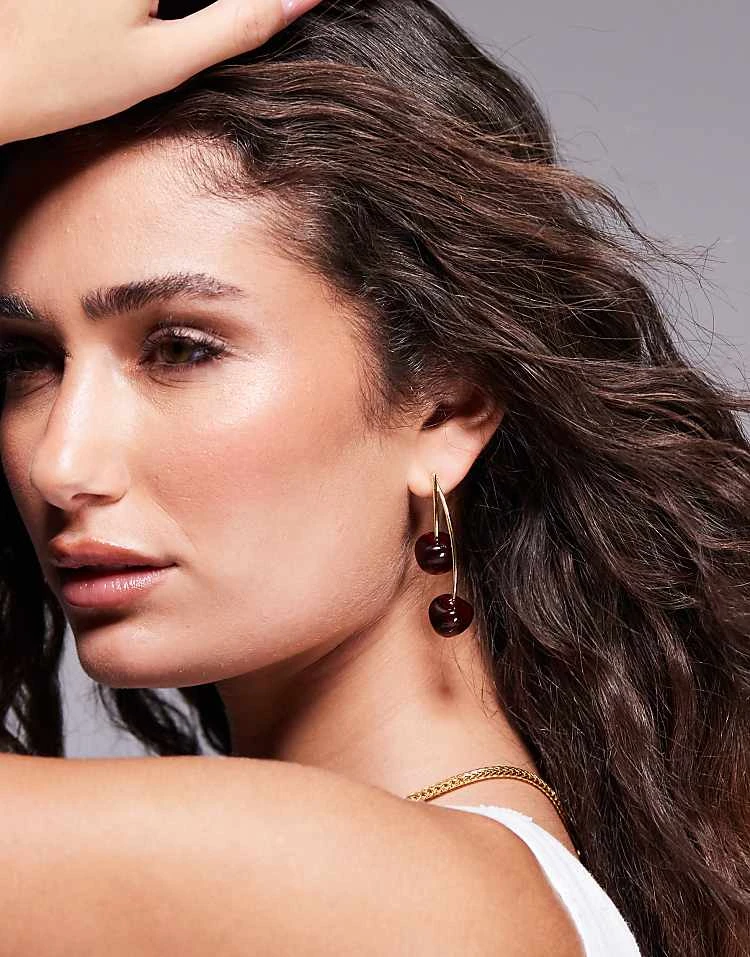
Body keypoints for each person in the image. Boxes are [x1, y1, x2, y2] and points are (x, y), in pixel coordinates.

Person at [0, 1, 747, 954]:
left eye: (180, 348)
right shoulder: (436, 874)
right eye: (25, 361)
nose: (61, 462)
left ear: (446, 407)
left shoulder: (374, 887)